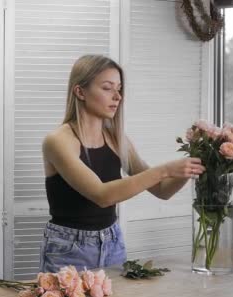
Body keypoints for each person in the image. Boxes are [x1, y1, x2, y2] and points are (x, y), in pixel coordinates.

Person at [40, 55, 205, 272]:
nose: (117, 96)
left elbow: (162, 191)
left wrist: (191, 163)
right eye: (107, 88)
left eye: (119, 89)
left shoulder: (117, 139)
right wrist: (165, 169)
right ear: (80, 92)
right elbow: (103, 195)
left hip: (112, 242)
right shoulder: (58, 141)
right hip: (69, 248)